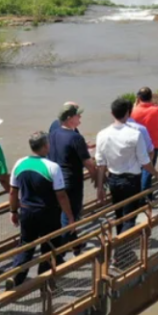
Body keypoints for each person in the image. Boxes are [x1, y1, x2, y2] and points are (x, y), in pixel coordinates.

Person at [7, 131, 74, 290]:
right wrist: (70, 217)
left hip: (27, 212)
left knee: (26, 245)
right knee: (49, 247)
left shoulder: (19, 164)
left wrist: (13, 212)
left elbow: (13, 192)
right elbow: (61, 196)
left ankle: (15, 277)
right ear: (45, 146)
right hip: (48, 213)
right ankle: (46, 284)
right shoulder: (52, 167)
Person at [95, 98, 158, 231]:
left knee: (118, 214)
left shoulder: (102, 135)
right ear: (127, 113)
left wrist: (99, 188)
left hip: (113, 179)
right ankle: (124, 249)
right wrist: (157, 174)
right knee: (130, 216)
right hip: (131, 180)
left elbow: (101, 164)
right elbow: (145, 162)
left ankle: (120, 245)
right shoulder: (135, 135)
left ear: (111, 113)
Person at [47, 102, 99, 245]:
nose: (80, 116)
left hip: (54, 180)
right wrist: (97, 178)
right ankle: (61, 251)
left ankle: (70, 241)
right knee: (70, 216)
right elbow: (88, 163)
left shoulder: (52, 134)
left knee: (60, 213)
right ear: (70, 118)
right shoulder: (75, 137)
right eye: (78, 114)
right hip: (71, 182)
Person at [130, 88, 158, 191]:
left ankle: (138, 194)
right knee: (148, 170)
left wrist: (135, 104)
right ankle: (146, 196)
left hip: (136, 144)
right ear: (151, 97)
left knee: (137, 170)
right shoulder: (157, 110)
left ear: (138, 97)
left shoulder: (133, 110)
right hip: (152, 144)